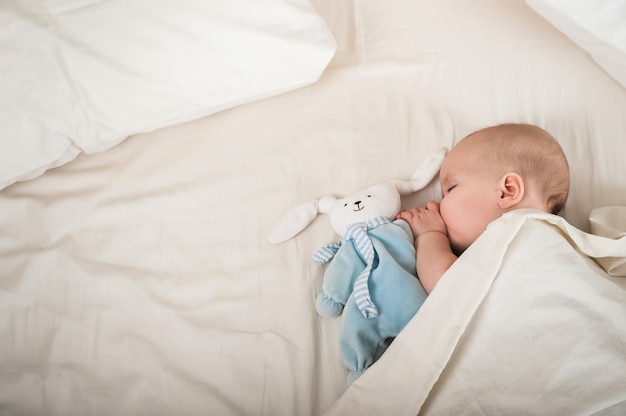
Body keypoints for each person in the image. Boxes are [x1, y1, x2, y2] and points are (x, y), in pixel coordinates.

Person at [397, 123, 570, 293]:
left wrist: (430, 235)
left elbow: (448, 288)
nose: (434, 204)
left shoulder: (509, 236)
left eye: (451, 189)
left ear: (507, 191)